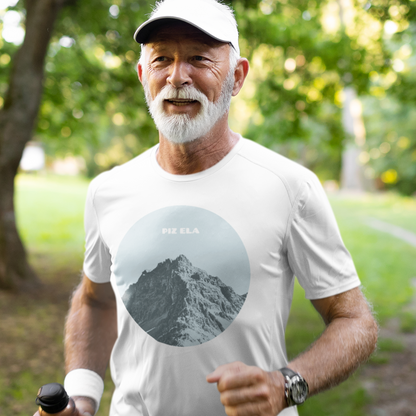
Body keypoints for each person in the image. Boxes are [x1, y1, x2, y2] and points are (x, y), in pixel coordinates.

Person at [35, 0, 378, 415]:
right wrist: (82, 396)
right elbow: (96, 300)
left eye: (199, 58)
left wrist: (286, 385)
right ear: (144, 76)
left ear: (236, 77)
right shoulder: (108, 190)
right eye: (162, 59)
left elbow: (355, 321)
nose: (178, 76)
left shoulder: (289, 186)